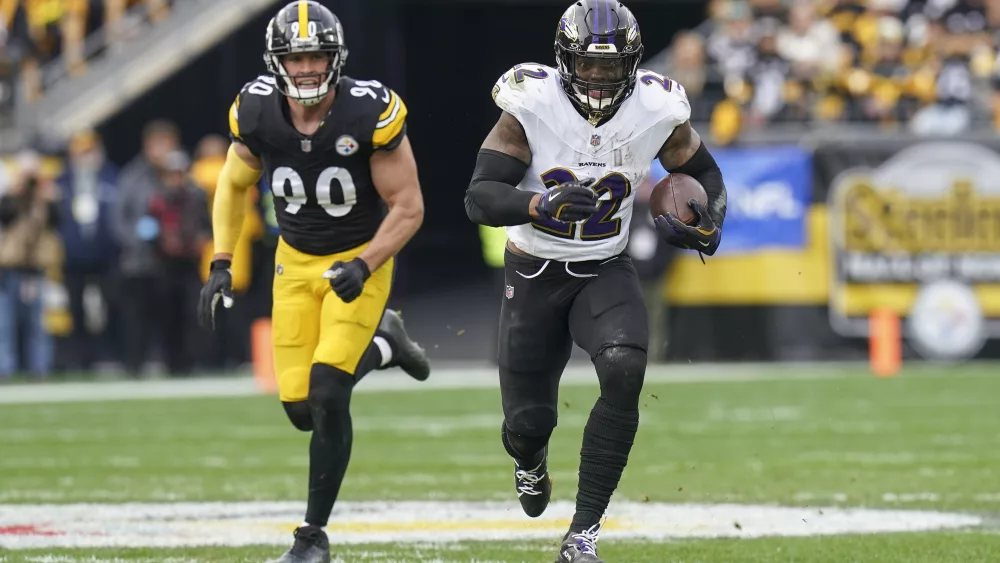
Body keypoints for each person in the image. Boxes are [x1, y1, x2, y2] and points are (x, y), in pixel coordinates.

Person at [464, 1, 728, 561]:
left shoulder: (658, 107)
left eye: (610, 68)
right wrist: (537, 204)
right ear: (565, 62)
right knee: (529, 425)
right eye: (587, 65)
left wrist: (710, 221)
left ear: (631, 64)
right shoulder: (530, 103)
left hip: (605, 266)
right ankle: (530, 462)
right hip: (534, 271)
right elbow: (480, 197)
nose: (599, 78)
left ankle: (583, 533)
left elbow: (701, 172)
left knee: (626, 366)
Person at [196, 2, 430, 561]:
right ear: (278, 62)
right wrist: (221, 262)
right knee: (301, 408)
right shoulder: (255, 110)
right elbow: (232, 186)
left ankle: (312, 536)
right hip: (294, 261)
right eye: (295, 57)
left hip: (358, 258)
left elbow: (408, 206)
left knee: (329, 390)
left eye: (315, 56)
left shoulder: (366, 111)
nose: (304, 68)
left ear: (336, 58)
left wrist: (365, 264)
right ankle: (386, 342)